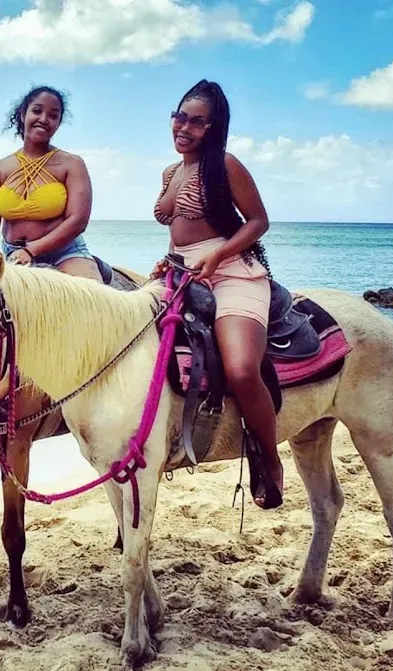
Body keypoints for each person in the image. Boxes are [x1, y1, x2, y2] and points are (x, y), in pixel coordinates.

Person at [152, 79, 282, 509]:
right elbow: (179, 235)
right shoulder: (171, 173)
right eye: (180, 117)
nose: (185, 128)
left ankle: (268, 455)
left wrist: (218, 254)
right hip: (184, 273)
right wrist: (167, 261)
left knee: (243, 369)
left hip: (230, 272)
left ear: (214, 127)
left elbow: (258, 221)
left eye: (198, 122)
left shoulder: (225, 164)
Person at [0, 85, 105, 282]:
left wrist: (32, 250)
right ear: (23, 114)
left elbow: (78, 220)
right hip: (12, 254)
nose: (44, 119)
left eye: (53, 116)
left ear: (58, 123)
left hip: (64, 253)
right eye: (37, 111)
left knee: (95, 298)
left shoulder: (72, 164)